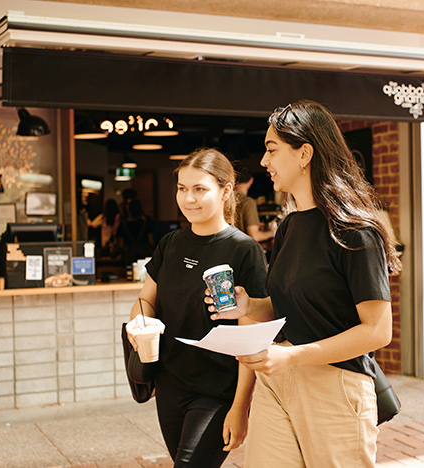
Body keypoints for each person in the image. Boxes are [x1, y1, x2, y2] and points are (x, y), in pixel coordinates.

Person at [208, 100, 402, 467]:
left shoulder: (356, 232)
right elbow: (285, 308)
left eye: (271, 150)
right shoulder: (289, 227)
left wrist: (294, 356)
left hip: (335, 386)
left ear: (304, 154)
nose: (264, 162)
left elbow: (377, 331)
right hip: (276, 381)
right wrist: (250, 306)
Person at [127, 148, 268, 467]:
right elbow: (145, 300)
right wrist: (140, 324)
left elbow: (252, 337)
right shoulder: (170, 244)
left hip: (217, 391)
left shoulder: (245, 251)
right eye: (182, 188)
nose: (188, 198)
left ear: (226, 190)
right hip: (169, 385)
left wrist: (240, 406)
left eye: (199, 189)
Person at [233, 163, 276, 242]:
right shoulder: (248, 202)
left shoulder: (226, 199)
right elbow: (254, 236)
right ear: (251, 180)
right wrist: (273, 232)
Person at [117, 197, 154, 265]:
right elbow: (151, 241)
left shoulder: (123, 225)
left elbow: (121, 245)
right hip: (144, 254)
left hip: (129, 255)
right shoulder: (145, 223)